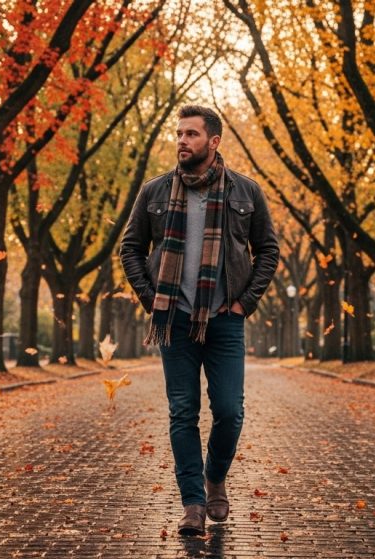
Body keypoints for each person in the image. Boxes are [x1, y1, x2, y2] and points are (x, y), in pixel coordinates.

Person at [119, 105, 279, 535]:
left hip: (226, 319)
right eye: (179, 134)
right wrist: (151, 298)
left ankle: (215, 477)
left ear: (214, 142)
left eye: (191, 134)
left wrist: (245, 303)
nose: (182, 141)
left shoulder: (246, 192)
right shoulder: (155, 192)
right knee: (183, 411)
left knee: (230, 411)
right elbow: (130, 248)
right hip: (175, 320)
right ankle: (192, 503)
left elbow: (268, 251)